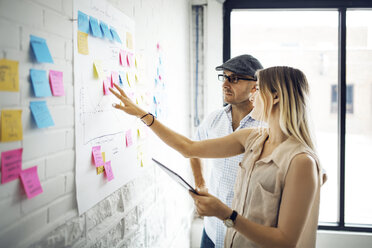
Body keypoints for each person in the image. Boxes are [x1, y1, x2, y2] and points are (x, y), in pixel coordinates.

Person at [109, 66, 324, 247]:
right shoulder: (253, 138)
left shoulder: (301, 161)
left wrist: (225, 214)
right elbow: (188, 148)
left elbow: (285, 241)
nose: (252, 95)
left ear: (276, 97)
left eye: (257, 89)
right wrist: (142, 114)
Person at [190, 54, 263, 248]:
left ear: (255, 86)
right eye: (225, 77)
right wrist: (200, 182)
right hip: (212, 231)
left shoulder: (269, 126)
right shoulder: (214, 119)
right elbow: (194, 148)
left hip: (246, 236)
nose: (225, 84)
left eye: (235, 78)